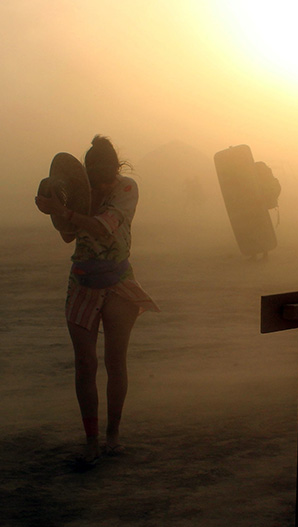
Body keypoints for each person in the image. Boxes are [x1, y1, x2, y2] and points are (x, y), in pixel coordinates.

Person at [35, 135, 159, 467]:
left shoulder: (127, 188)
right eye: (96, 181)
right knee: (85, 365)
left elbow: (106, 228)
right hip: (82, 281)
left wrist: (64, 210)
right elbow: (67, 234)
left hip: (118, 281)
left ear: (116, 173)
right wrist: (57, 204)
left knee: (115, 362)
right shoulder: (83, 190)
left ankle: (113, 436)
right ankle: (91, 440)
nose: (102, 187)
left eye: (106, 181)